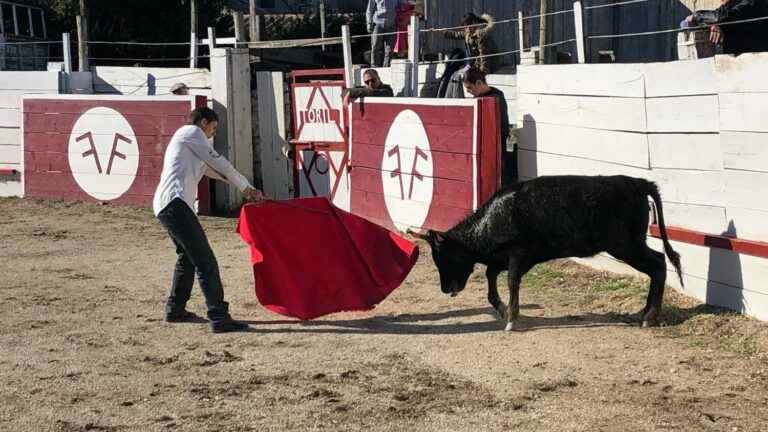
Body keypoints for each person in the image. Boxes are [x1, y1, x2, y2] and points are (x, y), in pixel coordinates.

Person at [153, 107, 263, 333]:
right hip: (175, 204)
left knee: (188, 258)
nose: (213, 134)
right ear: (203, 122)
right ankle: (219, 317)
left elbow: (215, 171)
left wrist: (245, 189)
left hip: (168, 205)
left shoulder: (188, 142)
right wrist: (247, 187)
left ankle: (175, 309)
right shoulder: (191, 133)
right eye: (213, 128)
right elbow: (221, 163)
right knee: (206, 262)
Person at [462, 67, 514, 184]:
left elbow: (500, 127)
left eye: (469, 88)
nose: (468, 91)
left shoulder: (496, 98)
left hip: (494, 147)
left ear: (479, 83)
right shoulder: (484, 97)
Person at [685, 0, 768, 55]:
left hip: (757, 61)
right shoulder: (731, 4)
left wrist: (695, 16)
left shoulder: (751, 2)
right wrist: (715, 25)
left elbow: (720, 17)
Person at [367, 0, 398, 67]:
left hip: (391, 24)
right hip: (378, 23)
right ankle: (374, 66)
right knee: (375, 46)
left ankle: (387, 67)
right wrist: (369, 23)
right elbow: (369, 9)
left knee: (389, 48)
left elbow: (403, 4)